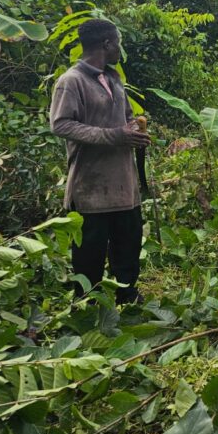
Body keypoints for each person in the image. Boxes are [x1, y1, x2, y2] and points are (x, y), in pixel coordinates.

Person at [49, 19, 150, 304]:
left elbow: (127, 117)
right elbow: (61, 125)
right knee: (89, 252)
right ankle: (86, 303)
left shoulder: (115, 79)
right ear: (106, 44)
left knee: (128, 246)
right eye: (117, 42)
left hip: (124, 186)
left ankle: (127, 296)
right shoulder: (71, 81)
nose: (120, 48)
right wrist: (115, 136)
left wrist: (135, 131)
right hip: (90, 188)